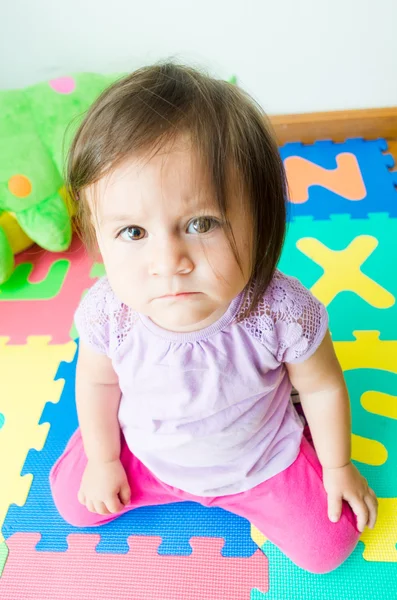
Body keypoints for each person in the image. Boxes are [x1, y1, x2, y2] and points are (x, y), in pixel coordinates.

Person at [50, 62, 378, 574]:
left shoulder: (280, 312)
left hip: (260, 464)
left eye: (200, 223)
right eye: (133, 232)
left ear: (261, 220)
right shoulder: (108, 312)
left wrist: (338, 467)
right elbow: (95, 383)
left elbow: (323, 387)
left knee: (329, 546)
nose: (168, 261)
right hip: (148, 456)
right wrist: (105, 459)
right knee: (70, 503)